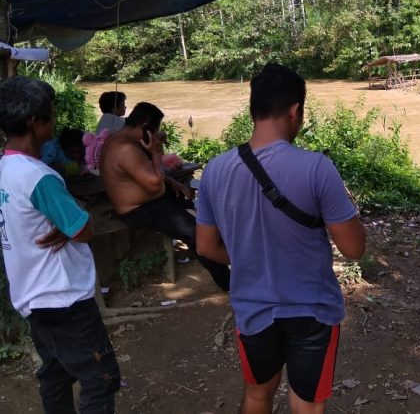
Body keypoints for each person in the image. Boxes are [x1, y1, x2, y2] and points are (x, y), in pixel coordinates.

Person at [196, 63, 366, 414]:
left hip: (253, 308)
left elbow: (206, 247)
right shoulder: (317, 168)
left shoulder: (215, 170)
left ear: (252, 111)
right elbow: (353, 248)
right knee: (306, 403)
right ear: (295, 111)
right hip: (313, 311)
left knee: (258, 394)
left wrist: (247, 255)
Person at [0, 76, 121, 413]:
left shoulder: (5, 169)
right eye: (50, 115)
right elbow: (83, 230)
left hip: (31, 294)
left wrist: (66, 224)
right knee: (101, 377)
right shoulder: (38, 177)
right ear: (33, 122)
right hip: (63, 296)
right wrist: (77, 218)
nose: (54, 121)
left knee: (55, 374)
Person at [99, 101, 230, 290]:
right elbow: (153, 184)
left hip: (153, 202)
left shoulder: (120, 139)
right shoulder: (125, 149)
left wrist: (170, 181)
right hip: (141, 210)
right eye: (156, 130)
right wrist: (156, 152)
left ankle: (221, 258)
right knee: (196, 235)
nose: (157, 134)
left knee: (194, 214)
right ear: (145, 129)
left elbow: (140, 174)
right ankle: (231, 281)